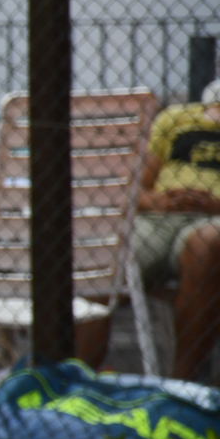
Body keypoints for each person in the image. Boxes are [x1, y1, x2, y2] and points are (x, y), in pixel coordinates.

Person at [78, 97, 220, 380]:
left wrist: (213, 205)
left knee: (208, 243)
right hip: (159, 217)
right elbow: (136, 189)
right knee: (103, 261)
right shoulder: (176, 118)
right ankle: (77, 376)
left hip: (214, 221)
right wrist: (161, 201)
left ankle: (181, 381)